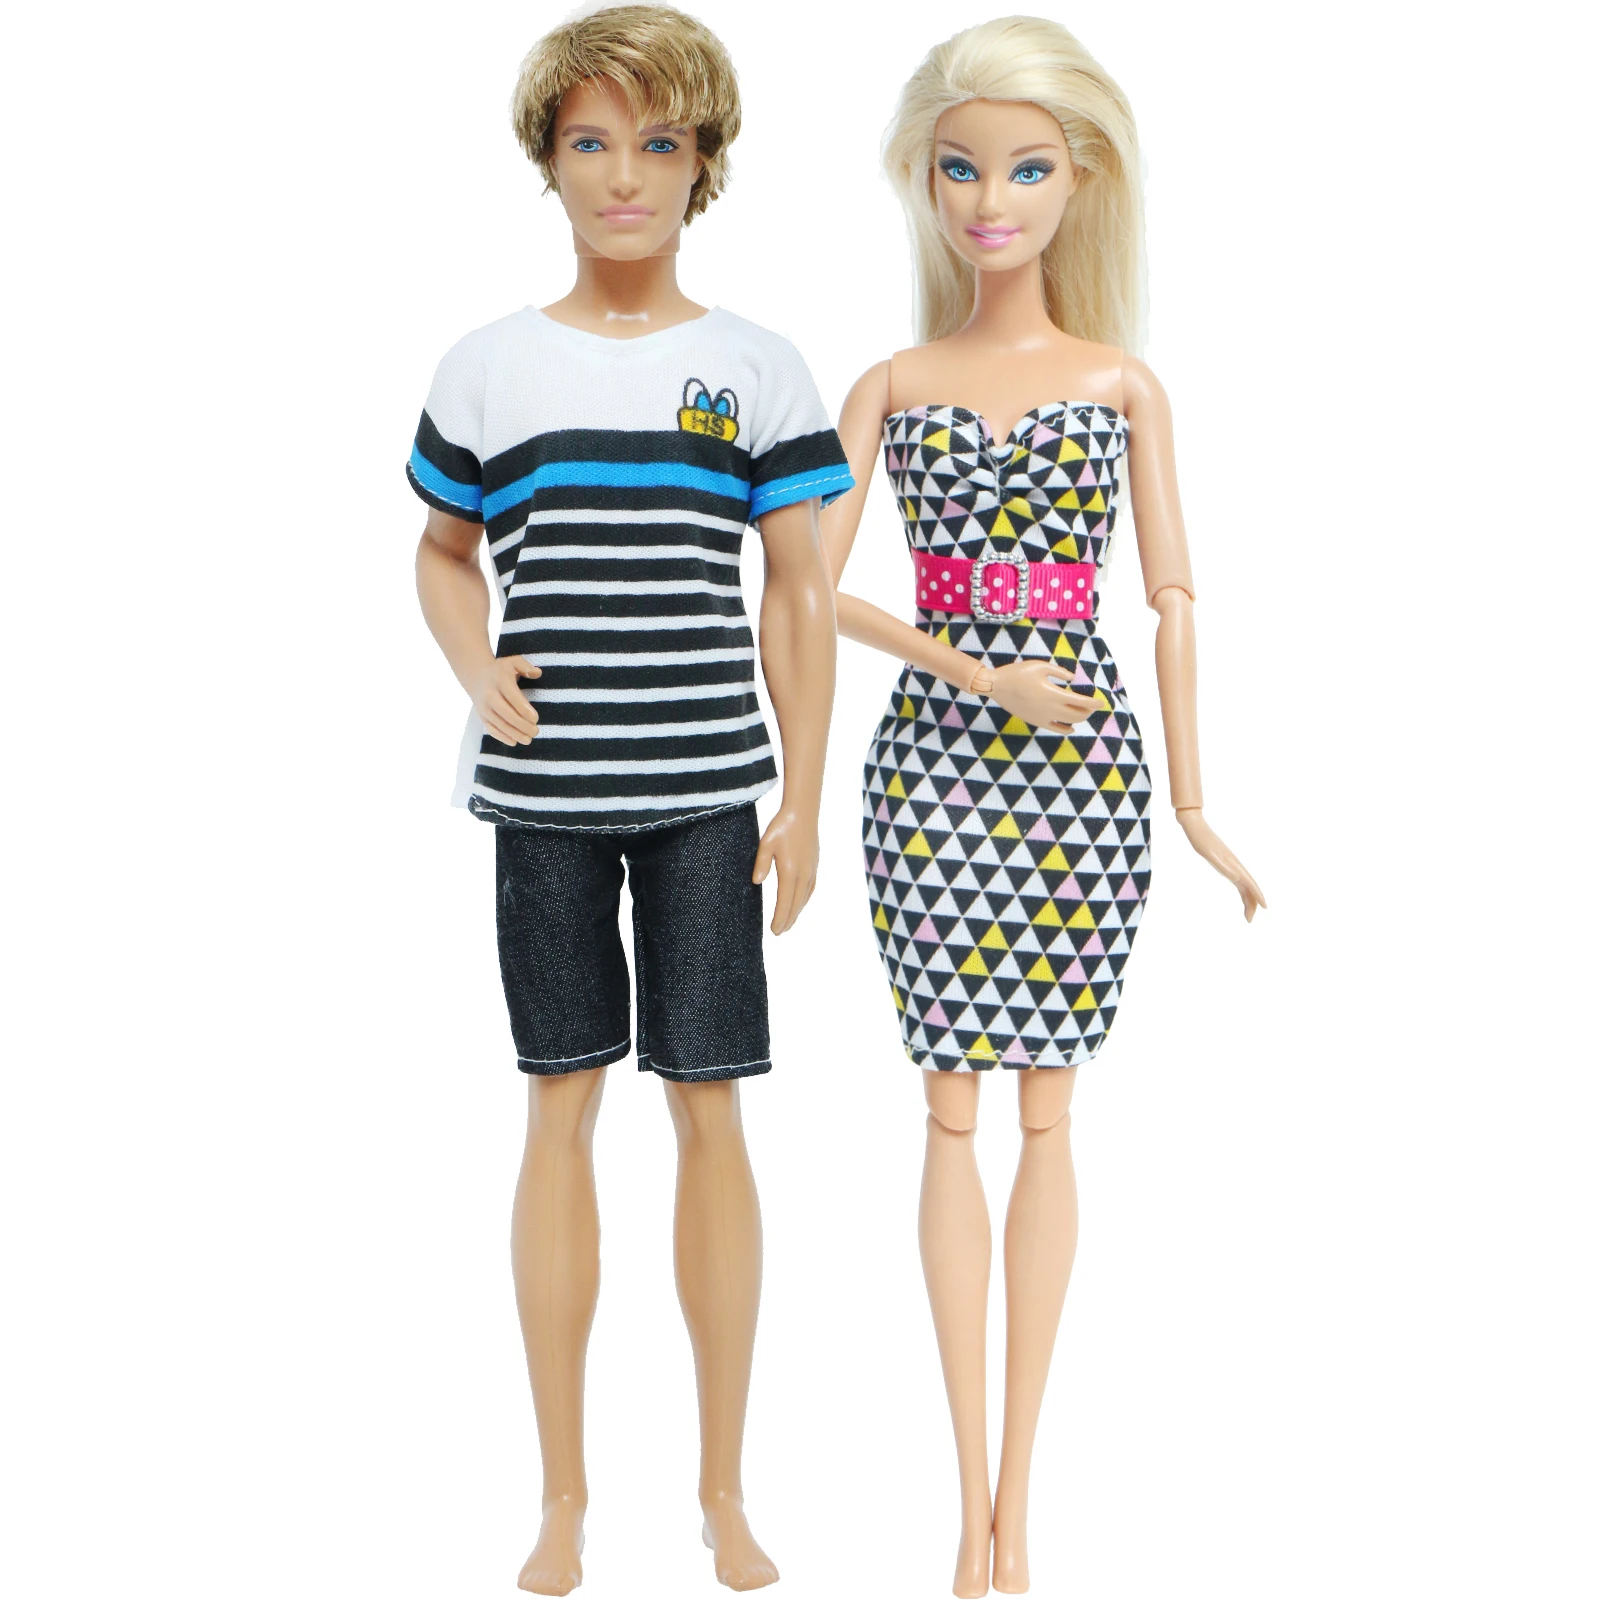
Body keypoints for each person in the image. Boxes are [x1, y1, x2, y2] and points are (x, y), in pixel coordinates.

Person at [820, 18, 1264, 1596]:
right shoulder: (890, 385)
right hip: (933, 779)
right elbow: (799, 589)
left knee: (1050, 1113)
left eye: (1023, 170)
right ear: (922, 180)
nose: (988, 202)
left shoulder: (1123, 385)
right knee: (949, 1110)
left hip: (1085, 783)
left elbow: (1175, 599)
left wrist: (1196, 802)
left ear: (1084, 181)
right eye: (960, 169)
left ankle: (1025, 1498)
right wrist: (965, 670)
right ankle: (968, 1511)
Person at [408, 8, 850, 1591]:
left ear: (702, 164)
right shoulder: (489, 365)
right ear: (547, 160)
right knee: (559, 1102)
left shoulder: (756, 365)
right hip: (544, 794)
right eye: (591, 142)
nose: (622, 177)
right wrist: (475, 666)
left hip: (708, 797)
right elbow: (442, 551)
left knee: (711, 1106)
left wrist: (804, 790)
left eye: (657, 144)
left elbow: (798, 591)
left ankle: (723, 1486)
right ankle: (563, 1494)